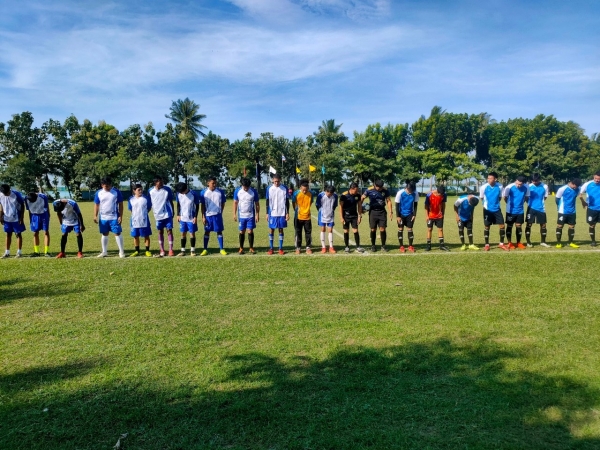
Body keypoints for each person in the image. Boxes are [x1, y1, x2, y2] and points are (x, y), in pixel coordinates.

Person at [93, 177, 125, 258]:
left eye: (109, 185)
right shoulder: (99, 193)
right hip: (103, 217)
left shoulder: (116, 192)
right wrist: (95, 215)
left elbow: (121, 204)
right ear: (102, 185)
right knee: (104, 233)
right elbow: (96, 205)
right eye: (105, 186)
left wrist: (120, 216)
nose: (108, 187)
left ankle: (121, 252)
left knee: (117, 233)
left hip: (114, 217)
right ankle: (104, 252)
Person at [361, 179, 393, 252]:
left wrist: (390, 212)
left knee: (382, 229)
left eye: (381, 187)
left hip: (382, 212)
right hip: (373, 212)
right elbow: (362, 198)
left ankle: (383, 246)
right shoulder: (369, 190)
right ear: (375, 185)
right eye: (378, 187)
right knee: (373, 229)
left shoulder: (385, 190)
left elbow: (388, 201)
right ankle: (373, 245)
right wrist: (361, 208)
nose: (379, 188)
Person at [480, 172, 509, 251]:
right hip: (487, 210)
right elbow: (482, 198)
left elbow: (500, 197)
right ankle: (487, 245)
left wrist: (495, 204)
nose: (488, 180)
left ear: (495, 179)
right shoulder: (483, 187)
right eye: (488, 178)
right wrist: (486, 205)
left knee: (502, 226)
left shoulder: (500, 186)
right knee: (487, 226)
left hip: (497, 209)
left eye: (490, 178)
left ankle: (501, 244)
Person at [148, 176, 175, 257]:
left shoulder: (167, 189)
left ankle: (170, 249)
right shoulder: (150, 191)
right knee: (160, 231)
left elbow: (171, 201)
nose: (162, 183)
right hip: (157, 215)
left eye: (162, 181)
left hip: (167, 213)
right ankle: (162, 249)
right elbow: (150, 203)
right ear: (156, 182)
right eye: (160, 181)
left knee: (169, 230)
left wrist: (173, 211)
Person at [200, 176, 227, 256]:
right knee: (207, 232)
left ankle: (221, 249)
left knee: (219, 231)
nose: (214, 185)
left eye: (215, 183)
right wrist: (203, 216)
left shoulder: (220, 192)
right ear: (208, 183)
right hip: (208, 216)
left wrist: (220, 212)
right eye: (213, 183)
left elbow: (223, 203)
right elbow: (202, 205)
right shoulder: (203, 192)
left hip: (217, 215)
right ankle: (205, 249)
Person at [234, 177, 260, 254]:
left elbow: (257, 204)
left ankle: (251, 248)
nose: (246, 188)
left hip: (250, 215)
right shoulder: (237, 191)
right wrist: (234, 214)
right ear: (242, 185)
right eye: (244, 187)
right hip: (241, 216)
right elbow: (235, 203)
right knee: (242, 231)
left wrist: (257, 214)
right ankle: (241, 248)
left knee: (250, 231)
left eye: (247, 187)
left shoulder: (253, 191)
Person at [265, 174, 290, 255]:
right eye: (275, 181)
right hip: (272, 213)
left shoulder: (284, 188)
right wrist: (267, 213)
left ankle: (280, 248)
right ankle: (271, 248)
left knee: (280, 229)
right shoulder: (269, 188)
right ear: (273, 180)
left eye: (278, 181)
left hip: (282, 213)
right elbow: (267, 201)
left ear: (280, 180)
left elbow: (287, 202)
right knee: (271, 229)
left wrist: (287, 213)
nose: (276, 183)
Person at [503, 176, 530, 249]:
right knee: (509, 226)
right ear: (515, 180)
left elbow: (526, 197)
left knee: (519, 226)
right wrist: (509, 205)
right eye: (517, 183)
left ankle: (518, 243)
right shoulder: (509, 187)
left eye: (520, 184)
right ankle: (509, 243)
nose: (518, 185)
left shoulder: (526, 187)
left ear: (523, 183)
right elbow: (505, 197)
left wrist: (520, 204)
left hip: (520, 210)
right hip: (510, 211)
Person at [555, 178, 582, 248]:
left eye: (577, 186)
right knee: (560, 226)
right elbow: (557, 199)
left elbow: (578, 196)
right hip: (562, 211)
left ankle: (570, 242)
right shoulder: (562, 189)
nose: (576, 187)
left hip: (572, 211)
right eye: (575, 186)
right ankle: (558, 243)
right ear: (572, 183)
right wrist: (559, 207)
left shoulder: (578, 189)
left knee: (572, 226)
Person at [174, 182, 200, 257]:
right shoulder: (178, 194)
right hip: (182, 217)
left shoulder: (193, 194)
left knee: (192, 233)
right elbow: (178, 204)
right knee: (183, 233)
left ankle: (192, 251)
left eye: (182, 192)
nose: (181, 193)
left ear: (185, 189)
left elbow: (197, 206)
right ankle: (183, 251)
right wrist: (178, 214)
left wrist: (195, 217)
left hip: (191, 218)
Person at [0, 184, 25, 258]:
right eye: (4, 193)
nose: (6, 194)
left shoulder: (16, 194)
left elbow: (22, 205)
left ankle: (19, 252)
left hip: (16, 217)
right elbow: (1, 205)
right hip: (7, 218)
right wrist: (0, 216)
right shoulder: (1, 194)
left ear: (9, 190)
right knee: (8, 234)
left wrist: (21, 218)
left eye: (7, 193)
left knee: (18, 234)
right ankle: (7, 252)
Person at [525, 173, 550, 247]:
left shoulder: (545, 186)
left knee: (543, 225)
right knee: (529, 224)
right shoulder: (529, 186)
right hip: (531, 208)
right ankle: (528, 242)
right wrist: (530, 204)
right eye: (533, 180)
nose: (534, 182)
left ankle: (543, 242)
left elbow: (545, 197)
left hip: (541, 208)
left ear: (539, 179)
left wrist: (539, 203)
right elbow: (526, 197)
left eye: (536, 180)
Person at [338, 182, 364, 253]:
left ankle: (358, 246)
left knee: (355, 230)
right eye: (356, 190)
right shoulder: (344, 195)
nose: (357, 191)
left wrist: (359, 216)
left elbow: (359, 206)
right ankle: (347, 247)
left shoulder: (358, 195)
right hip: (345, 216)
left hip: (354, 216)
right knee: (346, 231)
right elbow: (341, 207)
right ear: (351, 189)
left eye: (357, 190)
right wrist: (341, 217)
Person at [128, 184, 153, 257]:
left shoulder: (146, 198)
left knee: (146, 235)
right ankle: (137, 251)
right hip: (134, 220)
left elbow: (149, 207)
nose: (141, 191)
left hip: (144, 220)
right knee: (135, 236)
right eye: (139, 190)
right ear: (134, 191)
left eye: (141, 189)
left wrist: (143, 214)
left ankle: (147, 251)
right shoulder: (131, 199)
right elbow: (130, 209)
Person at [25, 192, 52, 257]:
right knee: (35, 233)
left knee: (46, 232)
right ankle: (36, 252)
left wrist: (48, 216)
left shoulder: (43, 197)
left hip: (43, 215)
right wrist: (31, 219)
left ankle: (46, 252)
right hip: (34, 216)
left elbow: (47, 207)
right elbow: (29, 210)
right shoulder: (26, 199)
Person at [395, 181, 419, 253]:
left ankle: (410, 246)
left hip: (410, 214)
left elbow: (415, 204)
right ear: (406, 187)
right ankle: (401, 246)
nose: (409, 191)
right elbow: (397, 205)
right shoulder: (400, 193)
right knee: (400, 229)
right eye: (408, 189)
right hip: (401, 214)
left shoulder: (415, 193)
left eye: (411, 189)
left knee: (410, 229)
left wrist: (414, 215)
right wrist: (398, 216)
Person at [424, 185, 449, 252]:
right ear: (437, 192)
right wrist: (426, 216)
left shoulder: (444, 195)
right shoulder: (429, 195)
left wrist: (443, 213)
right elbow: (426, 206)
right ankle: (428, 246)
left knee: (440, 229)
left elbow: (443, 204)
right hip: (431, 215)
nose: (442, 195)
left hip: (439, 215)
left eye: (443, 194)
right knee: (429, 229)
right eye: (441, 194)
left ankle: (442, 246)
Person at [291, 179, 313, 254]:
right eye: (303, 190)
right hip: (298, 217)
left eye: (306, 190)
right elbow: (293, 203)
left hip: (307, 217)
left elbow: (310, 203)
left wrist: (306, 210)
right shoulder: (296, 193)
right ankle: (298, 247)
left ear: (308, 188)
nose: (304, 191)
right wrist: (297, 210)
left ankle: (308, 247)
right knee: (298, 232)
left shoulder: (310, 194)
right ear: (300, 187)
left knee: (308, 233)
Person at [580, 171, 600, 247]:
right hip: (591, 208)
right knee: (592, 225)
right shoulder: (588, 184)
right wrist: (583, 202)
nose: (597, 180)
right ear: (593, 177)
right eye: (596, 178)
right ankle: (593, 241)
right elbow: (580, 193)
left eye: (599, 179)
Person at [316, 185, 338, 253]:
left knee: (330, 230)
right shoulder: (320, 195)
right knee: (323, 229)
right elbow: (317, 205)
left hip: (330, 214)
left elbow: (335, 205)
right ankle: (323, 247)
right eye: (328, 193)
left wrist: (330, 210)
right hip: (322, 214)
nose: (329, 195)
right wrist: (321, 211)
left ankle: (331, 247)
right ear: (326, 191)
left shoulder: (335, 196)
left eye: (331, 194)